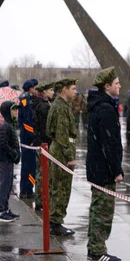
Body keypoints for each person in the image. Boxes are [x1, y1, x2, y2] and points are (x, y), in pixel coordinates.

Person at [86, 68, 124, 261]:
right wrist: (116, 170)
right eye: (116, 83)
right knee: (103, 212)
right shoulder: (105, 108)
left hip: (96, 168)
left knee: (97, 209)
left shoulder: (98, 105)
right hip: (104, 170)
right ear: (107, 86)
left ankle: (94, 248)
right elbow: (109, 143)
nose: (119, 86)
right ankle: (97, 251)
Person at [46, 78, 78, 236]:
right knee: (61, 188)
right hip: (61, 152)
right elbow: (62, 135)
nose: (75, 91)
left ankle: (56, 220)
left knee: (59, 187)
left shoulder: (61, 105)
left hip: (59, 150)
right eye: (72, 88)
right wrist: (70, 156)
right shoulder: (60, 107)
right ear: (64, 90)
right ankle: (56, 222)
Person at [0, 101, 21, 223]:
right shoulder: (6, 126)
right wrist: (13, 153)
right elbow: (3, 144)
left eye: (17, 109)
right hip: (6, 160)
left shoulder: (10, 124)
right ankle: (0, 211)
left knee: (8, 185)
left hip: (9, 159)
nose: (16, 111)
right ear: (7, 112)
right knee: (4, 185)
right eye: (14, 109)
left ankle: (5, 209)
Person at [31, 82, 55, 211]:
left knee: (41, 172)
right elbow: (45, 128)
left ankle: (40, 198)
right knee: (43, 173)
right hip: (44, 144)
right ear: (44, 92)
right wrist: (45, 143)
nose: (53, 92)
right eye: (50, 90)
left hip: (40, 143)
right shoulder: (44, 107)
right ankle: (41, 199)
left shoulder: (40, 105)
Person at [18, 78, 39, 198]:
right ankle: (28, 190)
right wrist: (32, 136)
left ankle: (26, 189)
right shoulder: (26, 100)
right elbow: (27, 121)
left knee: (27, 166)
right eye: (36, 87)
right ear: (31, 88)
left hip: (25, 136)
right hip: (27, 138)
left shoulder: (25, 98)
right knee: (30, 166)